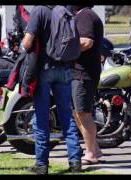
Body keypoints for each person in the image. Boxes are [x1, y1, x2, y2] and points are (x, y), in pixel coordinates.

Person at [22, 5, 82, 174]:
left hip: (44, 70)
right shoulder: (65, 10)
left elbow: (27, 42)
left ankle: (41, 164)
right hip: (65, 68)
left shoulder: (39, 11)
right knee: (67, 117)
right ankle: (75, 162)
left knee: (41, 118)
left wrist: (22, 48)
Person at [69, 5, 104, 165]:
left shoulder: (85, 16)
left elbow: (86, 41)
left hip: (83, 73)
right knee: (78, 112)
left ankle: (91, 153)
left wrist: (65, 51)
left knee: (83, 113)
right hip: (81, 72)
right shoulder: (85, 14)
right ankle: (94, 148)